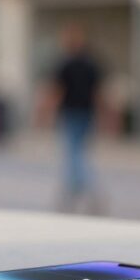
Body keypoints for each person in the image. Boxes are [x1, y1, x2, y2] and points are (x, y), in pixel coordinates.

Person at [46, 25, 107, 214]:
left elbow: (57, 92)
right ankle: (71, 193)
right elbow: (99, 94)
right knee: (77, 154)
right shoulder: (91, 64)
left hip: (72, 113)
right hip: (86, 114)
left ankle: (88, 191)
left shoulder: (66, 64)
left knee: (74, 156)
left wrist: (46, 113)